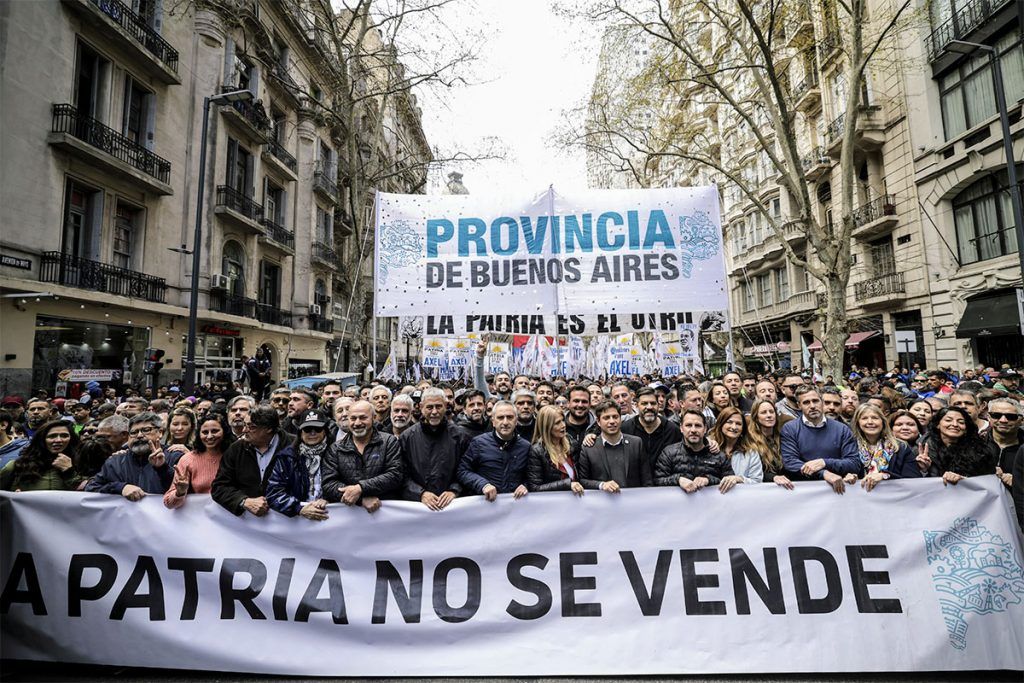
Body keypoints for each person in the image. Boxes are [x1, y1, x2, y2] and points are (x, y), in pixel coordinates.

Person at [322, 400, 404, 513]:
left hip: (386, 514)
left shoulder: (389, 442)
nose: (357, 423)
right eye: (353, 418)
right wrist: (360, 498)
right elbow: (329, 484)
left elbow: (395, 475)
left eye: (363, 417)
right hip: (350, 515)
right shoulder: (335, 449)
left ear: (374, 418)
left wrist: (360, 488)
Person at [212, 406, 293, 516]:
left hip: (289, 521)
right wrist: (244, 501)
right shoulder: (236, 449)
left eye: (251, 427)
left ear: (269, 428)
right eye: (245, 425)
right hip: (247, 525)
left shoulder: (294, 446)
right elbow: (220, 487)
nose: (244, 430)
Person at [780, 386, 862, 494]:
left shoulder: (842, 429)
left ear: (822, 402)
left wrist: (824, 462)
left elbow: (853, 463)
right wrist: (824, 473)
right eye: (806, 402)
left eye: (815, 401)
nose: (812, 406)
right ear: (799, 406)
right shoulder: (790, 429)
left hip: (837, 490)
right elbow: (791, 463)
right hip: (803, 491)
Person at [86, 412, 181, 500]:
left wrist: (162, 468)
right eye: (133, 432)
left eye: (146, 430)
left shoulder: (175, 457)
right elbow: (91, 488)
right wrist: (120, 487)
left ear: (160, 432)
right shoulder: (115, 461)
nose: (139, 435)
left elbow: (185, 489)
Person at [400, 388, 469, 509]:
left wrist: (454, 490)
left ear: (446, 406)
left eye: (438, 406)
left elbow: (467, 469)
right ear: (421, 407)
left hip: (452, 506)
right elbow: (401, 473)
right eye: (429, 407)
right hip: (418, 506)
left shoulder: (460, 436)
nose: (434, 412)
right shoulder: (407, 437)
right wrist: (420, 493)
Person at [457, 400, 530, 500]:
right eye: (500, 418)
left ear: (516, 420)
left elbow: (532, 476)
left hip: (514, 507)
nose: (505, 422)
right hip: (487, 505)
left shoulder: (525, 447)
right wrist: (483, 485)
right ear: (493, 421)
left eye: (509, 417)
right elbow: (462, 471)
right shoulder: (478, 443)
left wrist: (526, 485)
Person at [655, 409, 740, 493]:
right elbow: (657, 481)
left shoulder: (718, 455)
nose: (693, 430)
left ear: (705, 428)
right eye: (688, 425)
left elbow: (730, 482)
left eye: (698, 425)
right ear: (681, 428)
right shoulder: (669, 453)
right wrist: (678, 479)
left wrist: (709, 480)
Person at [265, 410, 330, 520]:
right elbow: (274, 492)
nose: (312, 433)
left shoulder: (336, 454)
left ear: (325, 431)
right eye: (307, 429)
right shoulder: (287, 457)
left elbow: (344, 485)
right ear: (300, 432)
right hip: (296, 521)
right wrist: (298, 508)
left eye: (317, 429)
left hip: (330, 517)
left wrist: (330, 500)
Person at [164, 413, 235, 509]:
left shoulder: (236, 455)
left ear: (225, 432)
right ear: (198, 434)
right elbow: (168, 503)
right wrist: (180, 492)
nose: (209, 436)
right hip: (201, 518)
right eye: (205, 432)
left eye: (215, 431)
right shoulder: (188, 459)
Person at [848, 404, 920, 491]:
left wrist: (885, 476)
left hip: (891, 498)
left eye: (875, 418)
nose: (870, 422)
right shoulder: (850, 445)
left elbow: (913, 480)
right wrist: (847, 476)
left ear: (883, 422)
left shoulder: (900, 447)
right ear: (858, 423)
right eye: (864, 418)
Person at [919, 407, 994, 485]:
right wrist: (923, 470)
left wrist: (963, 480)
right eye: (948, 420)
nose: (955, 424)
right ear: (938, 425)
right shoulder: (924, 449)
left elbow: (987, 483)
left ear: (966, 429)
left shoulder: (980, 451)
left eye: (961, 422)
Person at [0, 421, 81, 491]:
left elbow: (86, 495)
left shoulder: (81, 464)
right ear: (41, 440)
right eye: (52, 436)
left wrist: (69, 472)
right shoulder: (17, 466)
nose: (58, 440)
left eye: (64, 436)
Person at [528, 405, 584, 495]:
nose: (563, 425)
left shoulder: (571, 443)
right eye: (557, 423)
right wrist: (567, 484)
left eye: (562, 420)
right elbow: (535, 488)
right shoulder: (537, 451)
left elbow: (581, 477)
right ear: (547, 427)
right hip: (553, 505)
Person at [622, 387, 681, 468]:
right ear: (636, 405)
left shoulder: (672, 431)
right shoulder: (625, 429)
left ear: (658, 405)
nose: (649, 407)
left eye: (653, 403)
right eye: (644, 403)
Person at [745, 399, 792, 488]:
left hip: (786, 486)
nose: (769, 415)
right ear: (756, 417)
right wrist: (773, 477)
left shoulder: (783, 437)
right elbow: (752, 472)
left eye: (771, 412)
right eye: (763, 412)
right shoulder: (749, 441)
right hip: (762, 489)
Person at [709, 406, 761, 485]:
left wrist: (739, 479)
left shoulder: (751, 452)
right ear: (721, 424)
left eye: (738, 424)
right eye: (729, 422)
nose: (734, 427)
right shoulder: (709, 446)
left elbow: (758, 481)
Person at [984, 397, 1021, 489]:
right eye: (996, 415)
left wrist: (1019, 482)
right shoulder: (976, 444)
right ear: (988, 417)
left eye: (1011, 417)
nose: (1003, 420)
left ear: (1021, 420)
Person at [563, 384, 596, 449]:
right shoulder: (557, 426)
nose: (580, 405)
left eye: (584, 401)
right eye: (576, 401)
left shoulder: (598, 427)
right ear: (568, 403)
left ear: (589, 404)